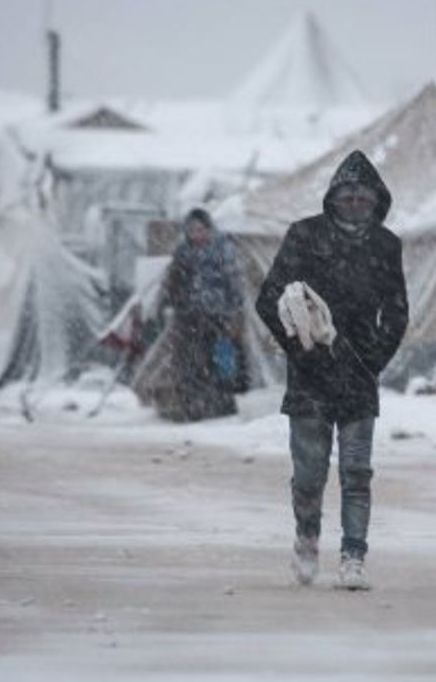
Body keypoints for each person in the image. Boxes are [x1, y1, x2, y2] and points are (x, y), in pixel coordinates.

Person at [256, 149, 408, 591]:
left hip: (359, 375)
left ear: (377, 200)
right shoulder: (304, 236)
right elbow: (268, 298)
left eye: (363, 198)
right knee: (309, 474)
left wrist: (373, 358)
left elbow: (397, 313)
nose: (356, 204)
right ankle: (306, 539)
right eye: (347, 196)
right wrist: (300, 347)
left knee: (357, 473)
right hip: (309, 376)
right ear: (333, 197)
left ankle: (353, 557)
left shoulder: (386, 245)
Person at [153, 208, 247, 422]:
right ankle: (192, 406)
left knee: (222, 361)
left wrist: (234, 314)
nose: (197, 234)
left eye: (200, 229)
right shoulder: (183, 252)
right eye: (192, 230)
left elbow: (234, 284)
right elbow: (172, 282)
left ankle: (223, 405)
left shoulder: (223, 250)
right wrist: (167, 304)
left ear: (208, 229)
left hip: (218, 316)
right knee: (190, 363)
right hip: (189, 316)